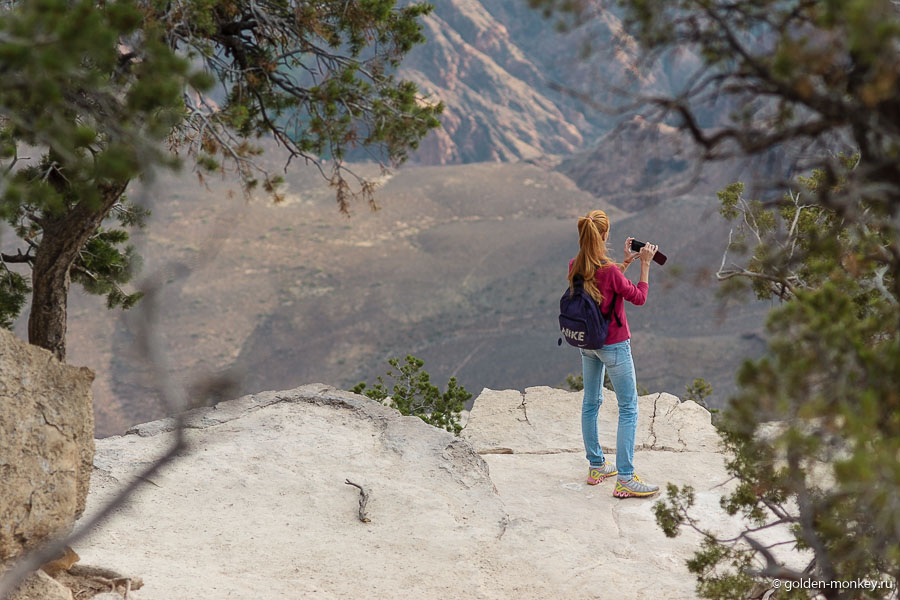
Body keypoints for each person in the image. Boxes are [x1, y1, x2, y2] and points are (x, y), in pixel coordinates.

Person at [568, 209, 660, 498]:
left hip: (588, 345)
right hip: (614, 346)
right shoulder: (608, 271)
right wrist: (644, 265)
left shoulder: (575, 265)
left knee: (591, 402)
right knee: (629, 408)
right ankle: (625, 478)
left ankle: (596, 467)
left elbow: (602, 286)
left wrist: (624, 263)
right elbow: (639, 298)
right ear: (604, 235)